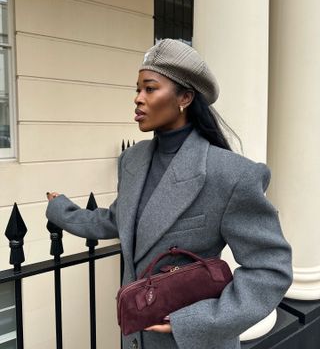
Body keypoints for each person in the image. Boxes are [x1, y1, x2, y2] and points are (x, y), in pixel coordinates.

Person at [46, 39, 292, 349]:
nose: (138, 99)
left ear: (185, 98)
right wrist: (61, 210)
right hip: (135, 339)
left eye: (150, 89)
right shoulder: (132, 160)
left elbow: (270, 270)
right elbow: (117, 220)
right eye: (137, 89)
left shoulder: (231, 174)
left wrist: (194, 321)